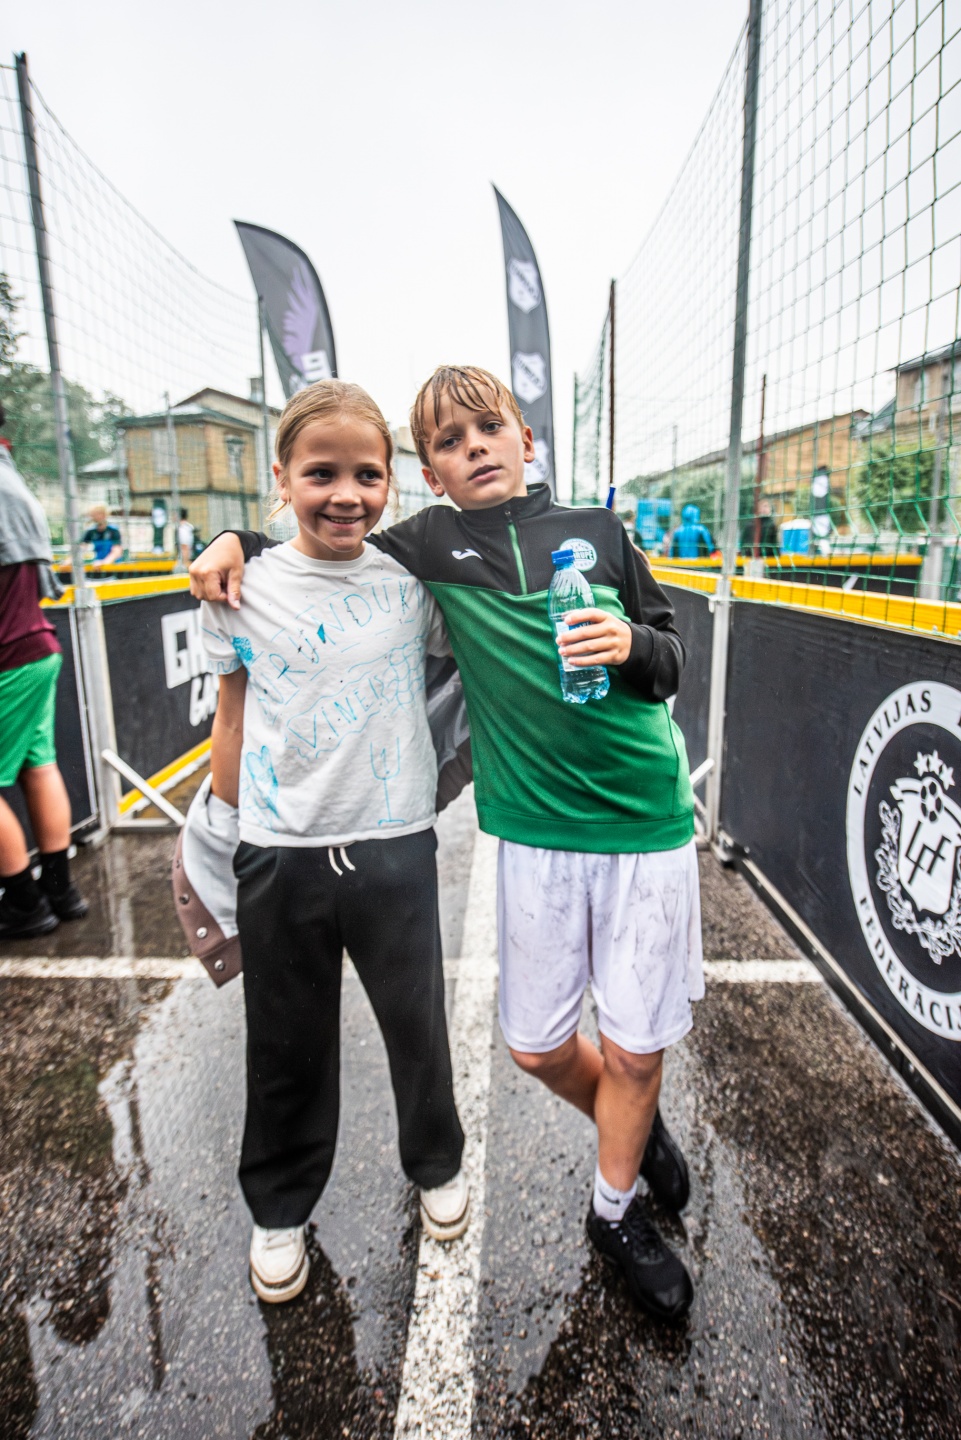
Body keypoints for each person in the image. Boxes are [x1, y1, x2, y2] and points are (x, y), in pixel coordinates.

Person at [192, 366, 704, 1323]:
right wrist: (231, 539)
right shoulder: (417, 547)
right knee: (525, 1048)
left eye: (488, 429)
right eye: (447, 442)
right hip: (508, 834)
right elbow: (311, 542)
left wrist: (633, 647)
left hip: (629, 821)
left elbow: (670, 655)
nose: (474, 448)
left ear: (524, 438)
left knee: (594, 1046)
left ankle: (608, 1195)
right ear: (427, 473)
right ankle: (627, 1121)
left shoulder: (590, 534)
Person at [200, 380, 467, 1305]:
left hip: (395, 843)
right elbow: (231, 719)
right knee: (286, 1043)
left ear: (391, 481)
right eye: (321, 474)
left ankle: (436, 1163)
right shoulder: (238, 587)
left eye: (367, 474)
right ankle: (279, 1209)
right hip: (280, 852)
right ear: (281, 479)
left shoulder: (410, 586)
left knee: (416, 1025)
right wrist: (221, 835)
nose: (346, 494)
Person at [0, 405, 88, 938]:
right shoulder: (13, 482)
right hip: (35, 647)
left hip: (9, 654)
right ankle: (60, 891)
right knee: (38, 764)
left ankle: (24, 902)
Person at [82, 504, 123, 568]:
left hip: (113, 565)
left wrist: (105, 562)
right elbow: (82, 547)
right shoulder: (91, 531)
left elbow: (117, 551)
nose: (93, 517)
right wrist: (70, 560)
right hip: (97, 565)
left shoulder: (113, 530)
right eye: (93, 515)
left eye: (96, 514)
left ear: (104, 515)